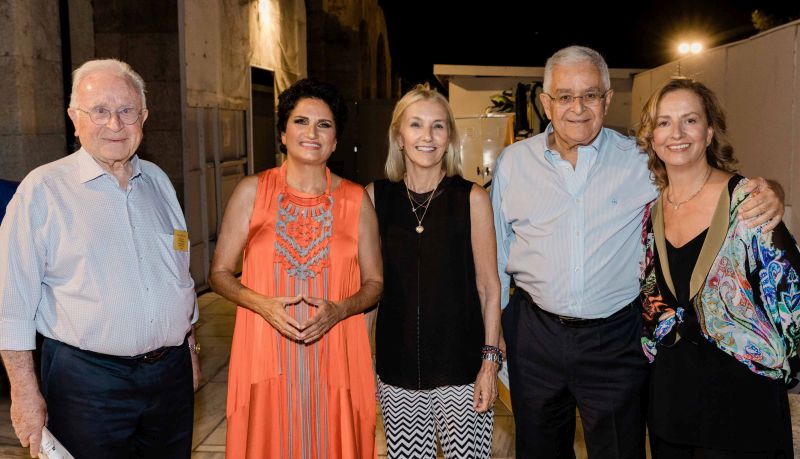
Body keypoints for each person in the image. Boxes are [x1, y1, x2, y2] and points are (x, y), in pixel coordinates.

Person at [491, 45, 785, 458]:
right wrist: (494, 335)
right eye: (565, 96)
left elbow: (703, 182)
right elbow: (496, 256)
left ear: (608, 99)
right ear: (545, 102)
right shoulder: (512, 164)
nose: (578, 108)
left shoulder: (642, 160)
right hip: (534, 336)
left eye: (591, 95)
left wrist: (771, 190)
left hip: (614, 340)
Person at [0, 58, 200, 458]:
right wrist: (23, 394)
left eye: (127, 111)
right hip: (87, 382)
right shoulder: (43, 190)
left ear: (144, 117)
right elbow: (13, 304)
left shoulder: (158, 182)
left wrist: (190, 350)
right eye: (100, 111)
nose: (115, 124)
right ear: (75, 119)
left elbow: (178, 276)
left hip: (170, 376)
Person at [209, 78, 382, 459]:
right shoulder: (252, 191)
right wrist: (263, 304)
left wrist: (340, 309)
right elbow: (218, 274)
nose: (312, 133)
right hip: (266, 349)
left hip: (336, 351)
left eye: (324, 124)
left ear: (335, 141)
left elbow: (374, 283)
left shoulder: (357, 200)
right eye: (301, 121)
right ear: (283, 134)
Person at [637, 77, 797, 458]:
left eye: (690, 120)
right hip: (672, 404)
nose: (677, 133)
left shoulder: (749, 203)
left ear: (709, 132)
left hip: (743, 406)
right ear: (652, 138)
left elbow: (791, 299)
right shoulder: (650, 213)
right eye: (664, 122)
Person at [366, 84, 502, 458]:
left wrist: (489, 364)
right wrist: (363, 361)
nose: (427, 136)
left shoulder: (472, 198)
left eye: (438, 126)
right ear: (399, 136)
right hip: (397, 370)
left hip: (462, 370)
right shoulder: (374, 198)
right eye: (416, 125)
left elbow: (489, 287)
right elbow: (369, 289)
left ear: (449, 138)